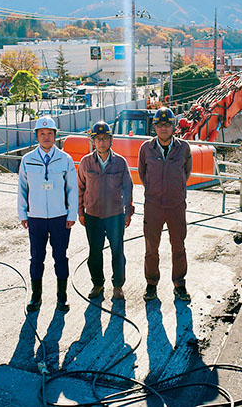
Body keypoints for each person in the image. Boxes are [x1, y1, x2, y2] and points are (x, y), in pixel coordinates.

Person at [17, 116, 78, 312]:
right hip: (36, 218)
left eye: (49, 134)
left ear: (55, 136)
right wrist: (23, 214)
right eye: (42, 134)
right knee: (36, 258)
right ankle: (36, 297)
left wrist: (71, 215)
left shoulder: (65, 159)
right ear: (36, 136)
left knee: (60, 257)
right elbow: (22, 189)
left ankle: (62, 297)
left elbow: (72, 189)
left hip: (60, 217)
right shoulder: (28, 160)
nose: (46, 137)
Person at [137, 107, 193, 303]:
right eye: (160, 125)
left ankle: (179, 284)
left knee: (178, 245)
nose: (163, 129)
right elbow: (143, 174)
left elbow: (186, 173)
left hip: (176, 206)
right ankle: (151, 284)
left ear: (173, 126)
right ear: (155, 127)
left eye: (167, 124)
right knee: (151, 247)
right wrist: (155, 191)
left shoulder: (184, 148)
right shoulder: (146, 149)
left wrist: (173, 191)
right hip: (153, 206)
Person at [77, 121, 134, 301]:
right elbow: (80, 188)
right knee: (94, 252)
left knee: (117, 251)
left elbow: (128, 187)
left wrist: (128, 212)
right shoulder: (86, 163)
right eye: (98, 139)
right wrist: (80, 212)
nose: (102, 142)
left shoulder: (120, 163)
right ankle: (97, 283)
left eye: (105, 139)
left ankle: (118, 286)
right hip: (93, 215)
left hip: (115, 215)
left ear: (111, 140)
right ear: (93, 141)